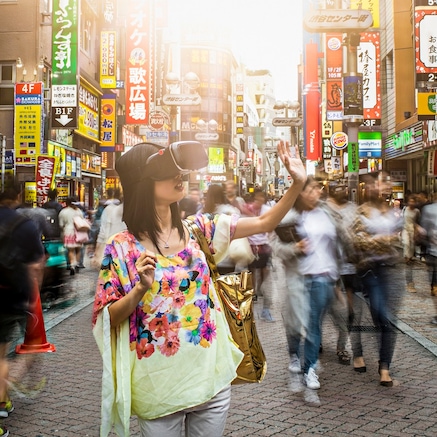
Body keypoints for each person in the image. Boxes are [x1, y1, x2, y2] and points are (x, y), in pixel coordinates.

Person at [92, 140, 306, 436]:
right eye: (166, 171)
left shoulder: (199, 229)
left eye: (179, 170)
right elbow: (107, 317)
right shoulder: (121, 248)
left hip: (210, 379)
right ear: (143, 184)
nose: (179, 176)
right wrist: (139, 290)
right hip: (158, 387)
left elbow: (265, 221)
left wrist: (297, 183)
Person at [289, 178, 350, 390]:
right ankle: (296, 356)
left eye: (318, 188)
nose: (317, 191)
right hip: (300, 277)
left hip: (323, 277)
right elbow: (280, 245)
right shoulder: (293, 216)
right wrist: (295, 247)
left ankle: (310, 368)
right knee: (299, 325)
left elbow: (336, 247)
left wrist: (336, 280)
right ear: (301, 192)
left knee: (314, 325)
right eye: (312, 188)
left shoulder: (325, 214)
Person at [351, 172, 403, 387]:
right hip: (370, 271)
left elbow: (402, 241)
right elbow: (359, 242)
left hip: (392, 271)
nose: (380, 187)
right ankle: (362, 354)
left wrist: (382, 240)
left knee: (389, 320)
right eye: (374, 184)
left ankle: (385, 367)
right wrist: (386, 240)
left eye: (383, 183)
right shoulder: (360, 213)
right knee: (378, 315)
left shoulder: (395, 213)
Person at [0, 187, 45, 437]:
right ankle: (1, 403)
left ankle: (4, 400)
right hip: (10, 295)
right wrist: (34, 295)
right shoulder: (25, 225)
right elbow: (37, 265)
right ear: (17, 197)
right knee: (3, 353)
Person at [245, 189, 275, 322]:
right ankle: (254, 292)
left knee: (264, 270)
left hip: (264, 245)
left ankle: (259, 289)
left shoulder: (267, 209)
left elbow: (271, 226)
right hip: (251, 245)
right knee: (252, 271)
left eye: (262, 197)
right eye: (257, 197)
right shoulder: (248, 209)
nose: (260, 200)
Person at [58, 197, 86, 275]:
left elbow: (61, 224)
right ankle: (77, 263)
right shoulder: (79, 211)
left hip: (68, 232)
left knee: (70, 250)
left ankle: (72, 265)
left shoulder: (63, 212)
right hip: (78, 233)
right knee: (78, 249)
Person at [401, 194, 420, 293]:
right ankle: (409, 283)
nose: (411, 203)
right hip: (405, 231)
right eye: (410, 201)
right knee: (406, 245)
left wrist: (417, 232)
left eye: (413, 201)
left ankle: (409, 258)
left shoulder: (417, 211)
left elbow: (417, 223)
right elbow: (401, 221)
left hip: (412, 233)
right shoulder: (404, 209)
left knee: (410, 254)